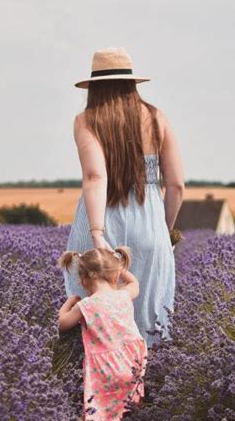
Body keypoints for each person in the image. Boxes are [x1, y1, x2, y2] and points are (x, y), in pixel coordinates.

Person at [63, 46, 185, 348]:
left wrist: (97, 233)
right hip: (151, 228)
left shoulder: (87, 120)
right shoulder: (158, 118)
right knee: (150, 317)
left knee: (92, 318)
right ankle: (147, 391)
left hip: (102, 225)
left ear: (95, 87)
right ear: (131, 83)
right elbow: (177, 184)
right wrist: (165, 231)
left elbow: (95, 177)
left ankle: (92, 387)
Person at [58, 245, 148, 421]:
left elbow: (63, 324)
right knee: (132, 406)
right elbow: (135, 284)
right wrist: (121, 265)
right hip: (133, 362)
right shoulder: (123, 294)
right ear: (115, 274)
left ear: (84, 278)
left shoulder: (85, 305)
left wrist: (69, 301)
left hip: (103, 368)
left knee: (99, 413)